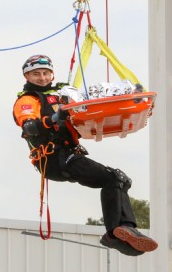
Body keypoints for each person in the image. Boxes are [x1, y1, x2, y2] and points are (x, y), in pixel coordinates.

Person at [12, 54, 158, 256]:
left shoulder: (62, 94)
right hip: (53, 158)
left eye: (45, 73)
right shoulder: (28, 99)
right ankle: (115, 233)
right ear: (27, 76)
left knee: (120, 180)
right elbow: (29, 126)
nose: (42, 77)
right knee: (112, 178)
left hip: (68, 154)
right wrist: (54, 118)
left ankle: (123, 228)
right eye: (36, 74)